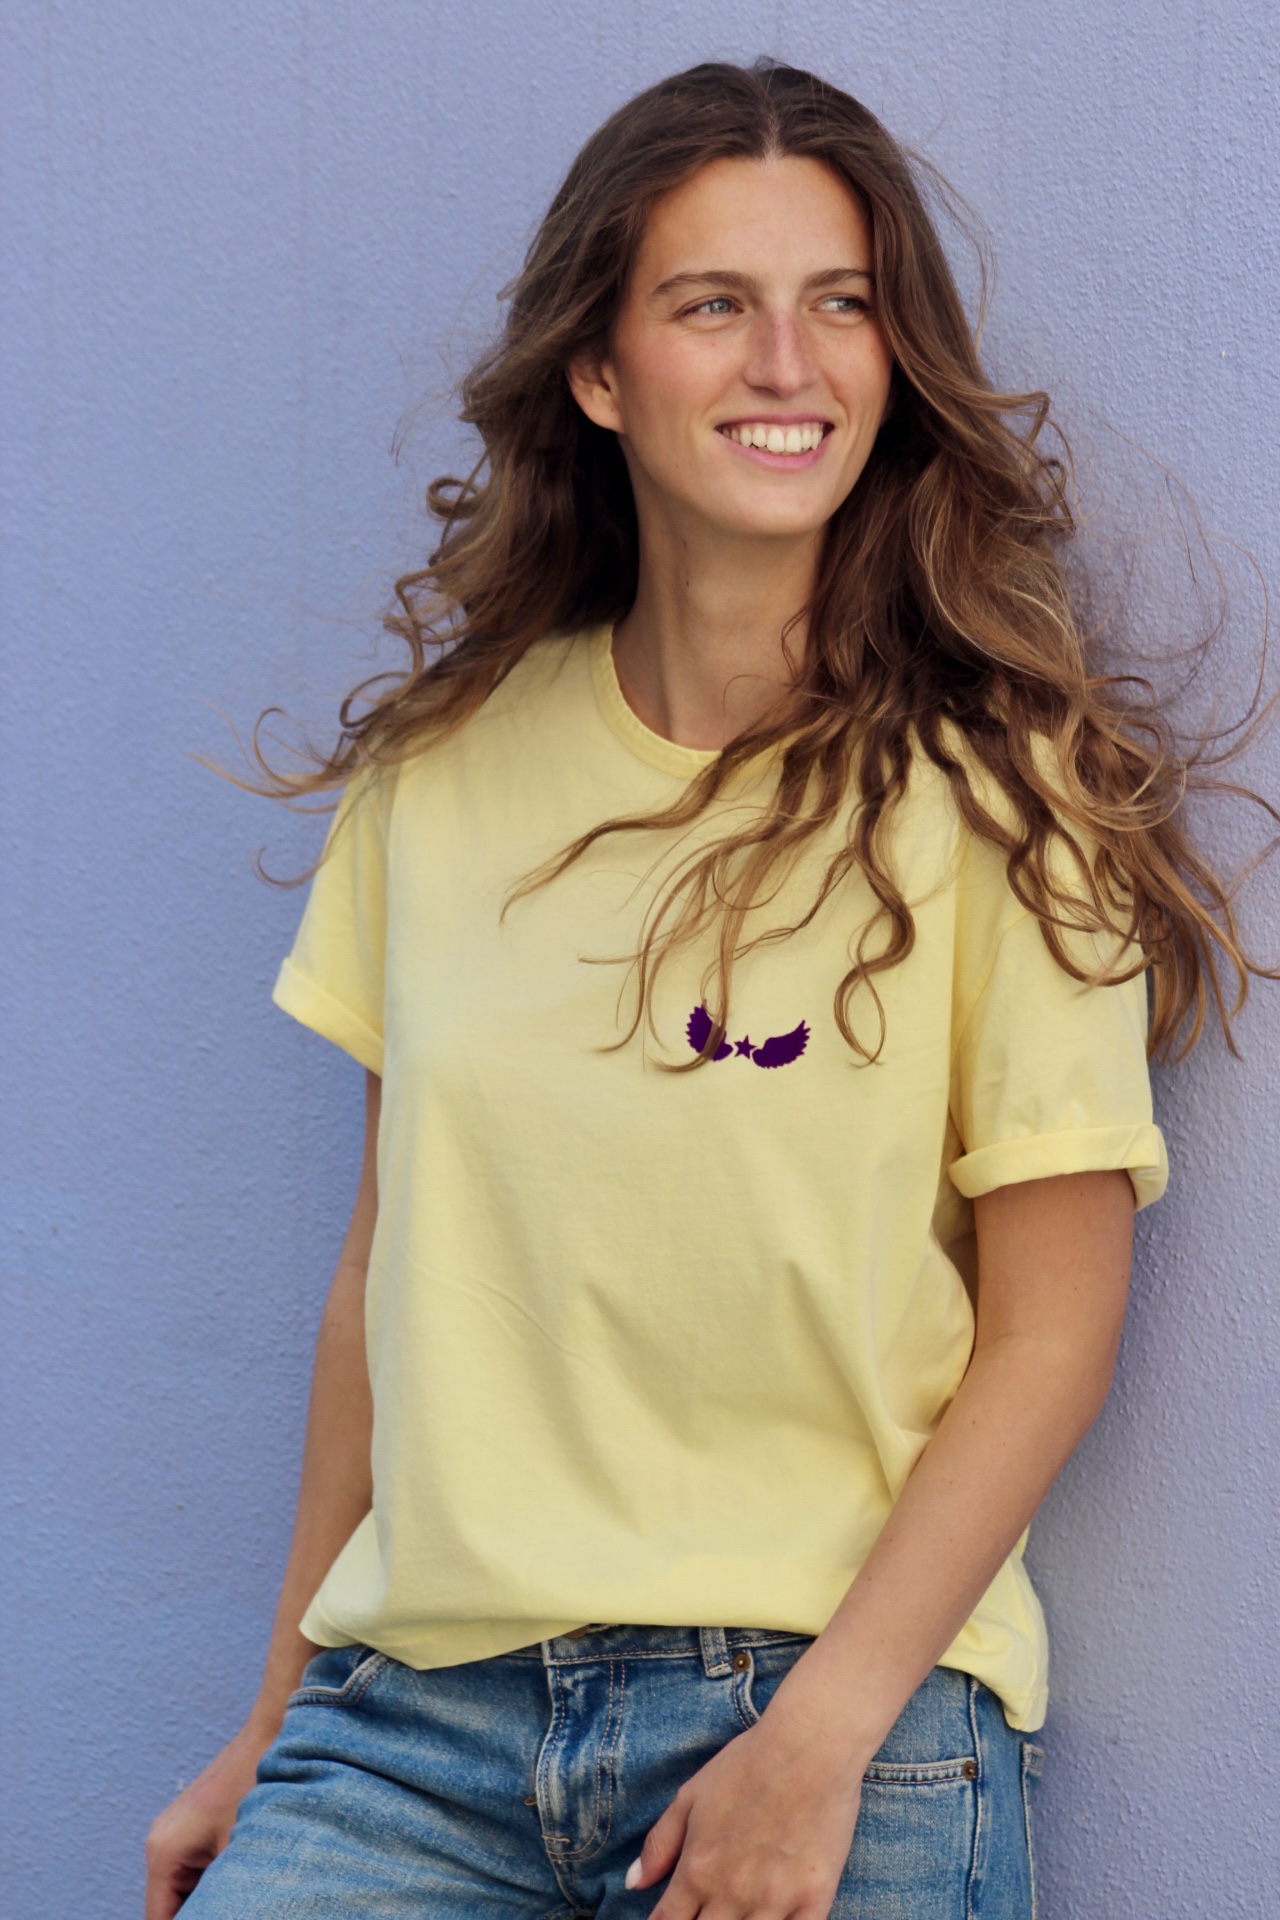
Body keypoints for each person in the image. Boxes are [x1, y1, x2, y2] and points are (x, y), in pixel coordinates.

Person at [144, 58, 1265, 1920]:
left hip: (837, 1710)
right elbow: (380, 1272)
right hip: (412, 1729)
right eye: (714, 305)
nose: (788, 364)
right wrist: (272, 1722)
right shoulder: (438, 777)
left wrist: (817, 1744)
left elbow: (1053, 1332)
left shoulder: (1004, 797)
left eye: (842, 304)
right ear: (601, 371)